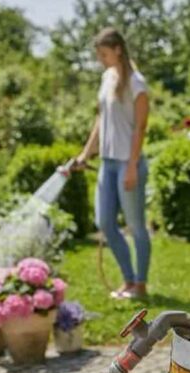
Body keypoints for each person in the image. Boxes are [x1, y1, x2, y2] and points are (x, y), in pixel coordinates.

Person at [75, 27, 151, 300]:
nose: (101, 60)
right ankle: (127, 280)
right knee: (105, 222)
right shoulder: (107, 77)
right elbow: (101, 120)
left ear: (118, 49)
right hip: (107, 163)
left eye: (104, 54)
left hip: (127, 163)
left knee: (135, 225)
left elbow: (140, 128)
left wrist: (132, 166)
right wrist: (86, 154)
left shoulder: (137, 84)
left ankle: (140, 285)